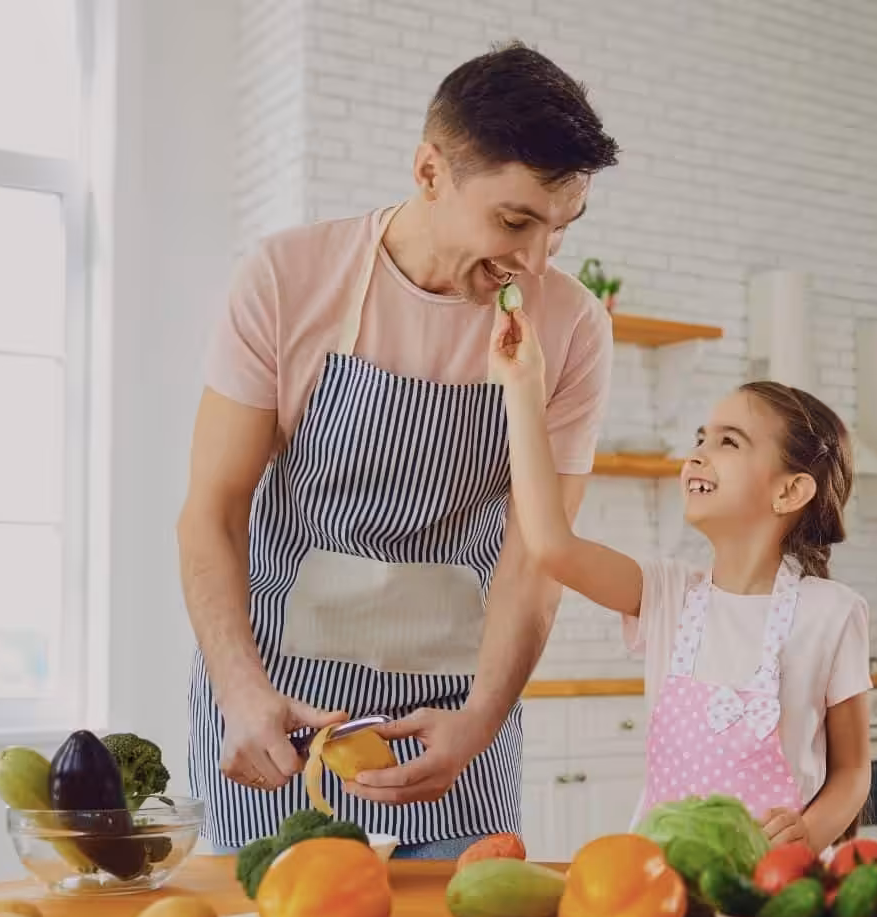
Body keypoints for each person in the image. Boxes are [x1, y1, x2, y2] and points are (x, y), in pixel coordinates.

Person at [176, 43, 619, 859]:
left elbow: (534, 559)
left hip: (453, 712)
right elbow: (213, 510)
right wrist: (241, 691)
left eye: (560, 229)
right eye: (514, 221)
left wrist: (481, 720)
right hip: (282, 705)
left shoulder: (574, 327)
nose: (536, 259)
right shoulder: (289, 277)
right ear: (428, 173)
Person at [489, 305, 874, 854]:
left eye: (729, 442)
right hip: (662, 875)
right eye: (700, 437)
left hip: (779, 882)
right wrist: (524, 390)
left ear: (789, 491)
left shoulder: (834, 612)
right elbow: (552, 545)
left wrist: (807, 836)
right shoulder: (668, 594)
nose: (697, 454)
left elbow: (853, 770)